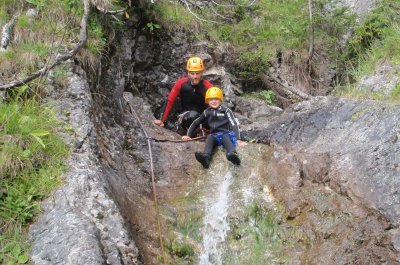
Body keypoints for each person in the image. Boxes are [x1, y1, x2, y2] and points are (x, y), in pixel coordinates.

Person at [182, 87, 247, 168]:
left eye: (216, 99)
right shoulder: (207, 112)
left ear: (220, 100)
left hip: (227, 134)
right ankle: (206, 158)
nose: (214, 101)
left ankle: (232, 154)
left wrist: (238, 139)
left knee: (225, 136)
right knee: (210, 137)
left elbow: (233, 124)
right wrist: (188, 135)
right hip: (215, 135)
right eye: (211, 99)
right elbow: (196, 122)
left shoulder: (226, 111)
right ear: (207, 101)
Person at [153, 56, 213, 135]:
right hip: (186, 116)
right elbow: (170, 100)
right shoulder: (181, 83)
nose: (195, 76)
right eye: (192, 73)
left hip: (202, 117)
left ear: (202, 73)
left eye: (197, 73)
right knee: (192, 116)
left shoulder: (207, 86)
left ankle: (203, 131)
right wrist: (161, 119)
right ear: (188, 73)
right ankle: (195, 132)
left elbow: (215, 104)